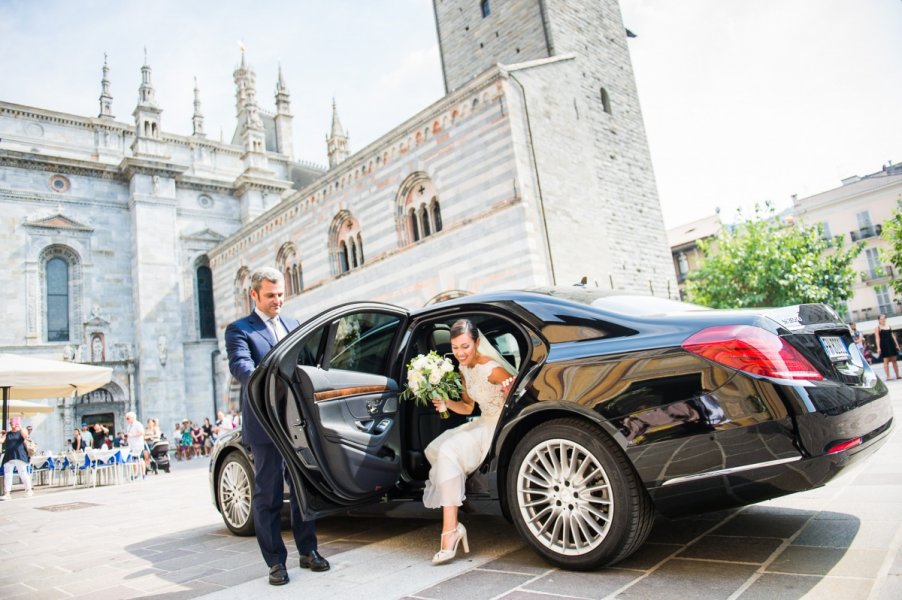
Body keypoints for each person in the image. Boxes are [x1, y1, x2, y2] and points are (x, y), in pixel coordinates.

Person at [225, 267, 328, 586]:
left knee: (302, 489)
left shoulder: (293, 323)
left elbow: (307, 363)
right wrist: (266, 383)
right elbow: (240, 365)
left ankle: (308, 551)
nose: (278, 300)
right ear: (253, 295)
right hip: (264, 422)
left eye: (281, 294)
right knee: (268, 494)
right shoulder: (239, 329)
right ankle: (275, 562)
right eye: (271, 295)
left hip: (296, 421)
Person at [422, 318, 515, 564]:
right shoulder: (464, 369)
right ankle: (456, 519)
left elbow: (516, 397)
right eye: (455, 347)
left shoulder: (492, 368)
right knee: (437, 447)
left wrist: (508, 390)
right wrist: (446, 404)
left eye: (465, 346)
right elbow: (467, 406)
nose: (460, 353)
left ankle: (450, 532)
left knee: (450, 451)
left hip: (497, 425)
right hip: (482, 421)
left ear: (476, 342)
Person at [0, 417, 34, 500]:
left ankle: (29, 490)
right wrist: (1, 434)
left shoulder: (22, 431)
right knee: (8, 474)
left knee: (23, 473)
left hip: (19, 455)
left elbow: (26, 436)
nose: (11, 424)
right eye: (10, 423)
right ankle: (7, 493)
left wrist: (20, 426)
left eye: (12, 422)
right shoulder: (8, 433)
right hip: (9, 456)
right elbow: (1, 441)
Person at [875, 313, 900, 380]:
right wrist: (878, 347)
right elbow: (877, 338)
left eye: (884, 318)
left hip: (891, 343)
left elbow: (892, 336)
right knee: (886, 360)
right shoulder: (877, 328)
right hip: (884, 344)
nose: (883, 320)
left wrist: (897, 344)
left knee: (894, 360)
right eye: (881, 319)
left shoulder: (889, 326)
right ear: (879, 320)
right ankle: (888, 376)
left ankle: (897, 375)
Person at [124, 412, 146, 479]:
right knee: (134, 460)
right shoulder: (129, 426)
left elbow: (142, 432)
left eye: (128, 418)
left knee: (141, 459)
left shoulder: (138, 424)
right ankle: (135, 474)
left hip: (138, 445)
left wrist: (132, 435)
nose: (127, 420)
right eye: (126, 419)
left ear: (132, 418)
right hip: (132, 445)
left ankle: (143, 474)